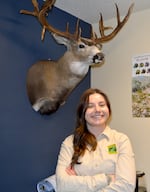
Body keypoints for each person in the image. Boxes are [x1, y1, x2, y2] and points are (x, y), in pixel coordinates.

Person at [56, 88, 136, 192]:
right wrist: (107, 178)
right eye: (90, 106)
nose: (97, 110)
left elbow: (127, 186)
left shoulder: (121, 140)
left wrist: (78, 183)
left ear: (108, 110)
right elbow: (62, 186)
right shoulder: (69, 143)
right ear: (82, 112)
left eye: (102, 105)